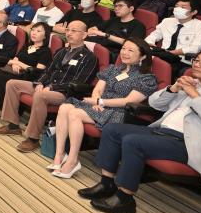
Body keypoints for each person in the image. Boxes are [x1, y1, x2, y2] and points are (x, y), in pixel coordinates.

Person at [78, 50, 201, 213]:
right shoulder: (190, 85)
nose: (197, 65)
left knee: (133, 141)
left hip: (188, 143)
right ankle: (107, 183)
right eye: (196, 60)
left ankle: (125, 198)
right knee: (112, 129)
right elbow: (154, 104)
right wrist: (173, 89)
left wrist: (195, 96)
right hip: (161, 131)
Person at [49, 39, 158, 178]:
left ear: (143, 56)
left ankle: (72, 160)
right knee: (64, 107)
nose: (124, 53)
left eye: (131, 50)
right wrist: (96, 102)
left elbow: (128, 101)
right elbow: (98, 89)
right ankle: (59, 155)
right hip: (100, 106)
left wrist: (100, 101)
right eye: (123, 48)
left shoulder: (146, 78)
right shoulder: (113, 69)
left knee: (74, 113)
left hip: (118, 112)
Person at [0, 21, 98, 153]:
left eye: (74, 31)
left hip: (66, 93)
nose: (69, 33)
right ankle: (13, 125)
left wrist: (52, 87)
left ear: (84, 35)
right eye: (68, 30)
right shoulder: (61, 51)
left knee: (41, 94)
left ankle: (33, 138)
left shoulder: (89, 57)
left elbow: (80, 81)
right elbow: (47, 71)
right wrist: (40, 83)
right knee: (12, 84)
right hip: (47, 86)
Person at [145, 0, 201, 78]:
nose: (178, 9)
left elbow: (196, 47)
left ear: (193, 12)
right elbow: (153, 36)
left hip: (182, 60)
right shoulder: (167, 21)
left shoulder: (200, 26)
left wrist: (171, 53)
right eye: (176, 6)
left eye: (183, 7)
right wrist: (150, 44)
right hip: (161, 56)